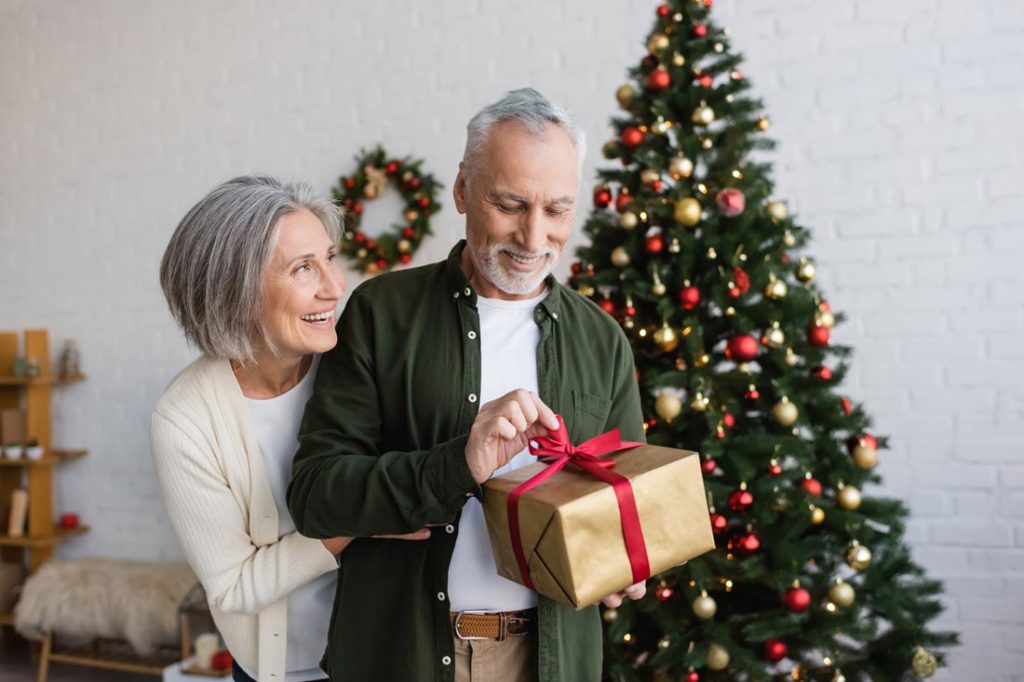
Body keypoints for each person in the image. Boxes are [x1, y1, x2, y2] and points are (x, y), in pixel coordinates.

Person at [287, 89, 646, 682]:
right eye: (510, 204)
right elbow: (317, 495)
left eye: (557, 210)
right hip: (402, 656)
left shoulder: (603, 340)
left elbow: (622, 501)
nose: (534, 239)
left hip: (550, 662)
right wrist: (457, 464)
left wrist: (624, 561)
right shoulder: (380, 314)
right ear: (461, 190)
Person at [150, 176, 429, 682]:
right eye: (304, 268)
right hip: (283, 669)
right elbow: (233, 588)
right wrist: (357, 519)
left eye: (328, 257)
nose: (336, 286)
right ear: (234, 291)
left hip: (392, 653)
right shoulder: (186, 418)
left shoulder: (362, 366)